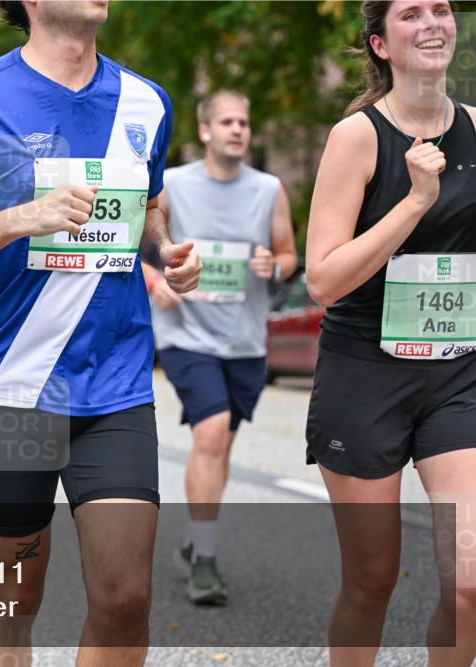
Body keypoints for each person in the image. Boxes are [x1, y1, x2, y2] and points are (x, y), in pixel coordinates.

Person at [0, 1, 201, 663]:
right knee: (12, 602)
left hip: (113, 382)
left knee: (125, 598)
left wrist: (169, 247)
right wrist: (20, 217)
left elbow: (147, 202)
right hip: (7, 387)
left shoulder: (147, 103)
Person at [304, 2, 475, 665]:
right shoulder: (358, 136)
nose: (432, 21)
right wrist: (415, 201)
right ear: (380, 42)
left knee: (469, 578)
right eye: (411, 14)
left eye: (441, 9)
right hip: (364, 374)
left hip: (458, 374)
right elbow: (322, 280)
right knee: (372, 580)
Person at [143, 89, 298, 604]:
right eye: (227, 122)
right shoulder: (174, 186)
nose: (238, 129)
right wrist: (152, 279)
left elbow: (288, 255)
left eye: (244, 122)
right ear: (205, 130)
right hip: (187, 335)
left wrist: (272, 266)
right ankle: (204, 562)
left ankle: (193, 540)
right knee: (211, 434)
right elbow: (127, 238)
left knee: (221, 444)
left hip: (245, 340)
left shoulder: (269, 188)